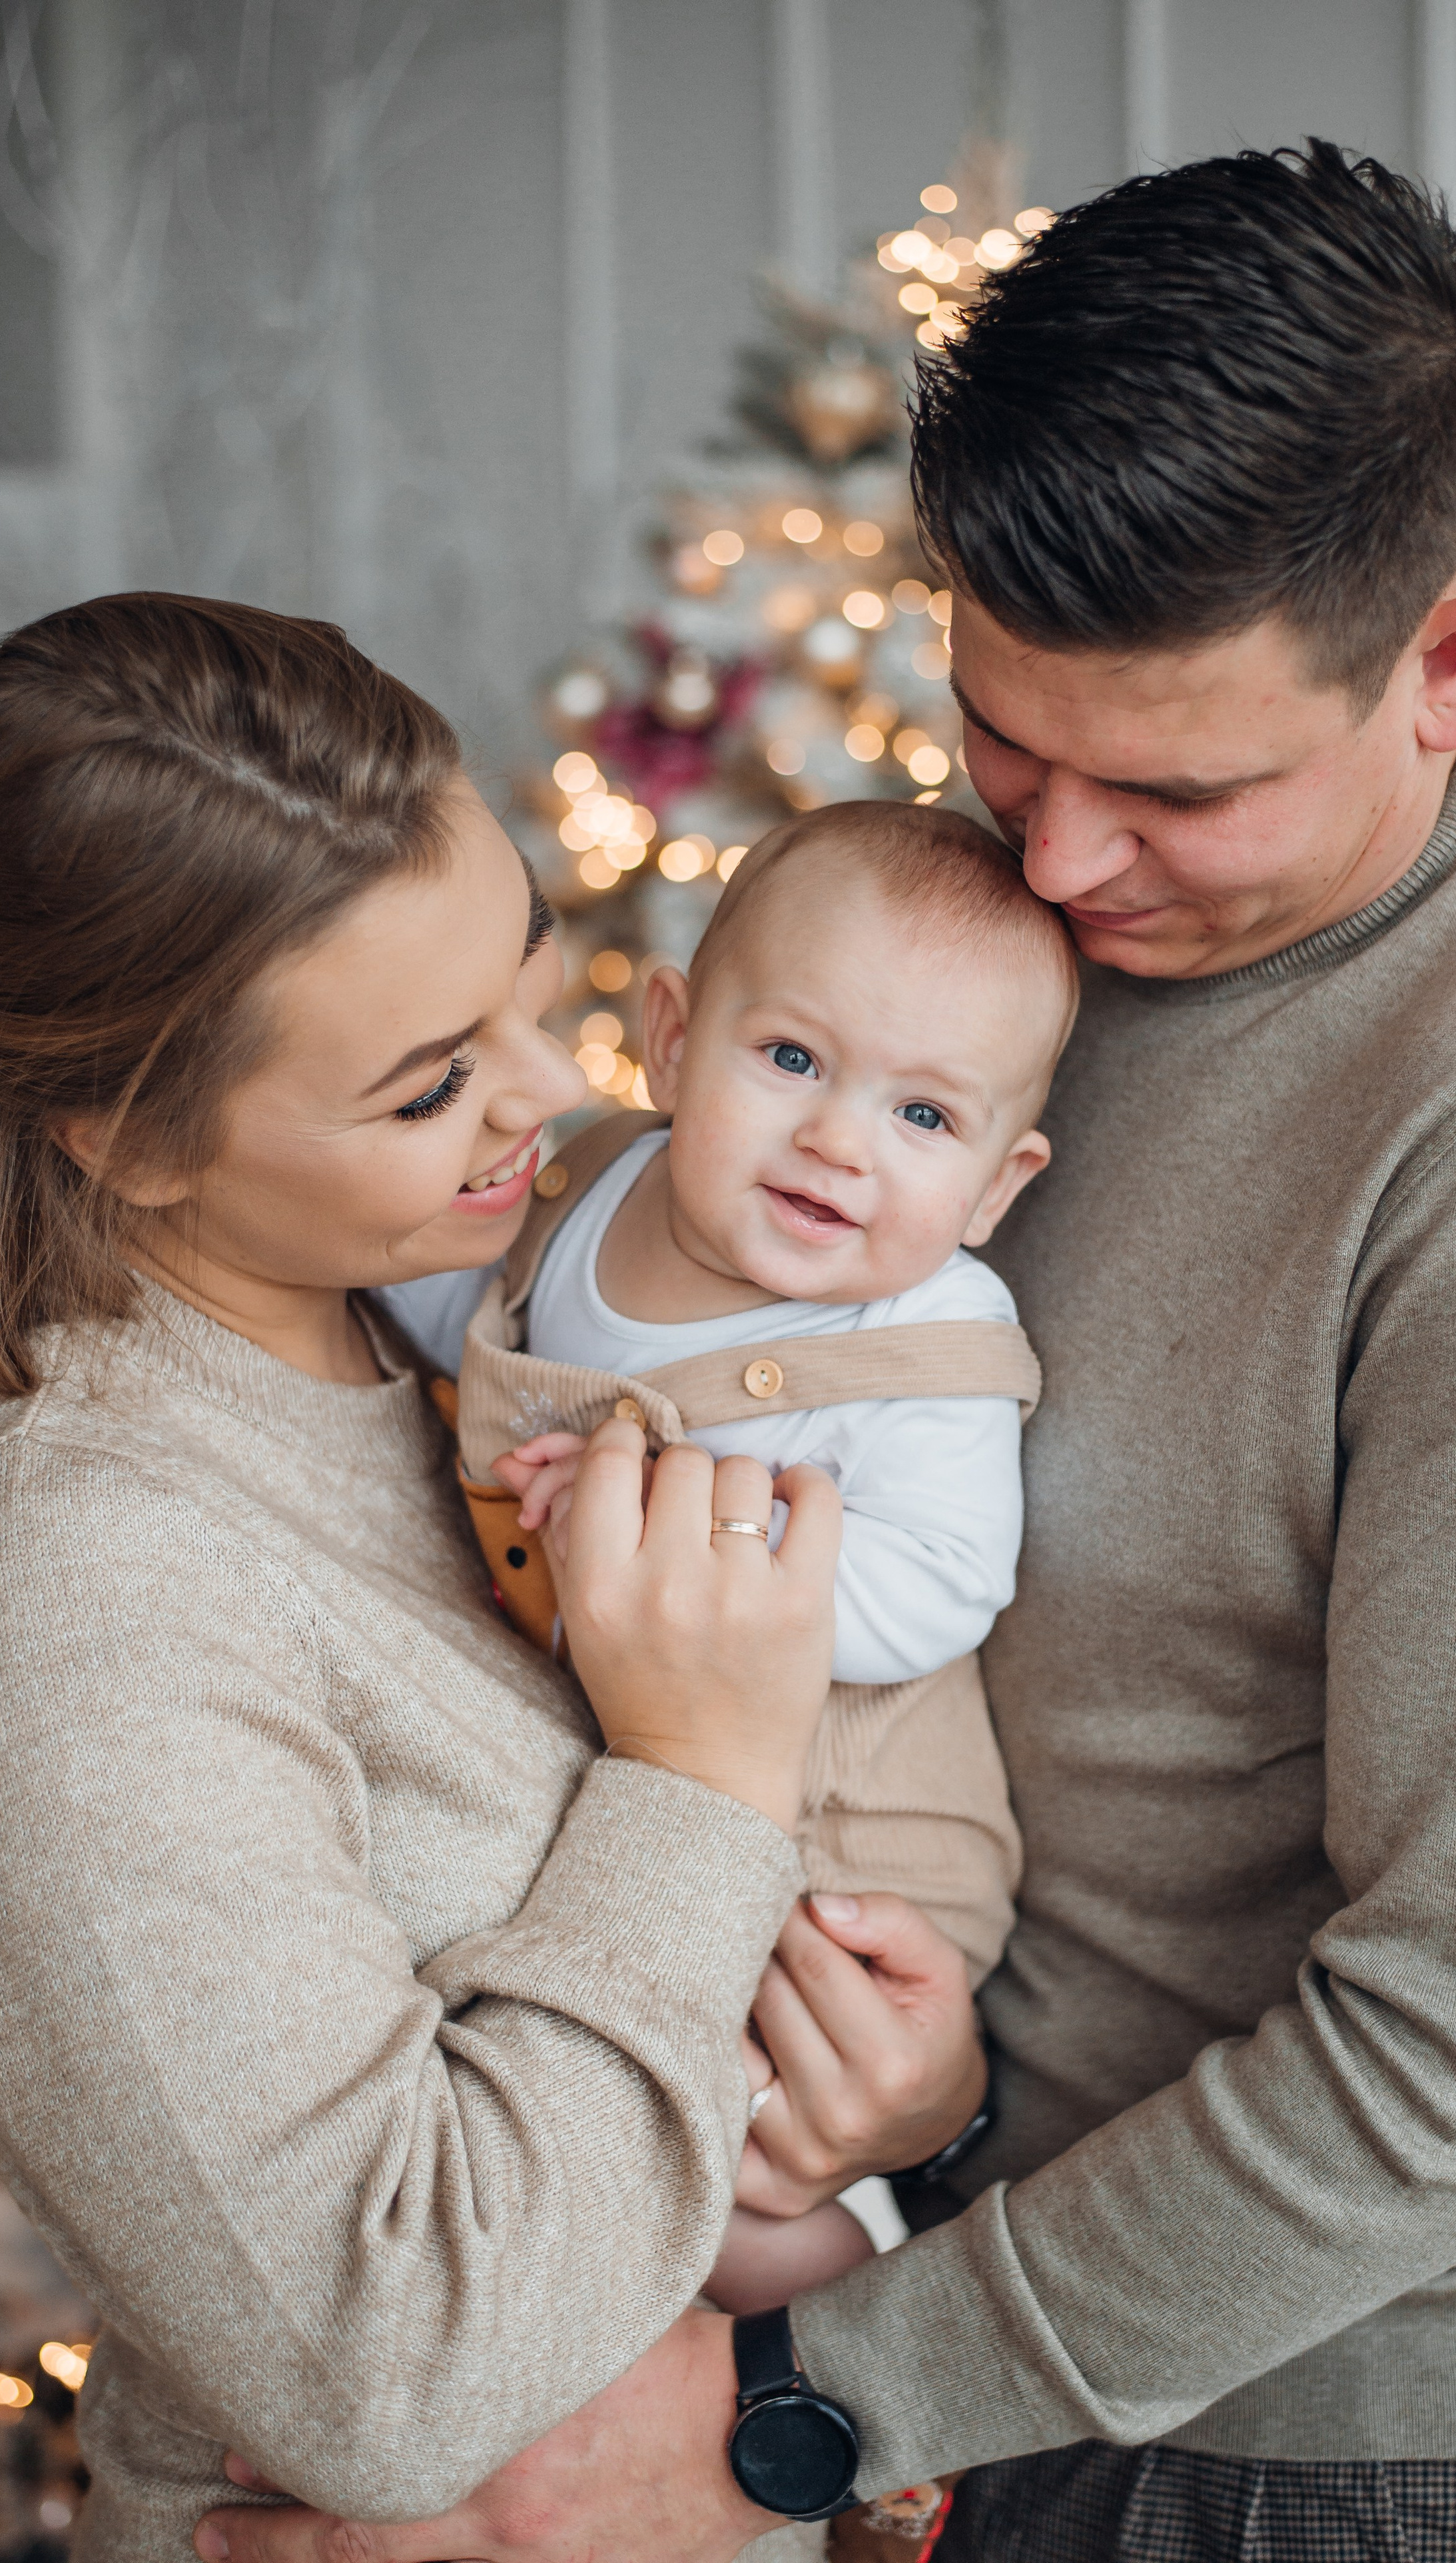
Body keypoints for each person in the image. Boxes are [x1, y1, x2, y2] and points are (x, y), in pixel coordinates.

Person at [196, 140, 1456, 2563]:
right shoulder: (953, 958)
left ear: (1448, 673)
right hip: (957, 2293)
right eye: (1001, 740)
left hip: (1329, 2455)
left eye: (1177, 790)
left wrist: (790, 2411)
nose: (1055, 868)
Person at [0, 594, 984, 2563]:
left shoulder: (471, 1313)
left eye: (527, 975)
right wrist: (703, 1777)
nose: (551, 1090)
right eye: (423, 1084)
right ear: (133, 1142)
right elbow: (380, 2369)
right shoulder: (59, 1576)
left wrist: (907, 2101)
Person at [402, 799, 1078, 2315]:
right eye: (791, 1060)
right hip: (643, 1789)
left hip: (851, 1844)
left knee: (728, 2168)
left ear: (994, 1186)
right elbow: (468, 1319)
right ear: (671, 1039)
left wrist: (683, 1527)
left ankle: (842, 2336)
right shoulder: (589, 1187)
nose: (839, 1141)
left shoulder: (928, 1336)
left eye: (924, 1119)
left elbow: (942, 1581)